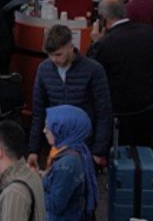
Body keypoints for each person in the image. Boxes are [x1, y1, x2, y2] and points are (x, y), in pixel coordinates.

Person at [27, 24, 113, 164]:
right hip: (56, 145)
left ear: (70, 47)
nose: (54, 60)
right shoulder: (44, 69)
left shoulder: (93, 70)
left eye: (58, 54)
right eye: (49, 55)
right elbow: (38, 112)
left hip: (85, 144)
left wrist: (98, 151)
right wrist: (33, 150)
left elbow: (104, 112)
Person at [91, 0, 153, 147]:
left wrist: (96, 42)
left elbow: (93, 71)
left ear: (103, 18)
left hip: (119, 110)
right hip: (147, 105)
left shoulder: (105, 44)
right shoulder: (147, 32)